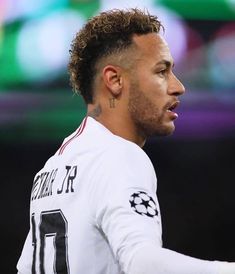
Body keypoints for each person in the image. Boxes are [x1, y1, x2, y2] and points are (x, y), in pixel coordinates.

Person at [17, 8, 235, 274]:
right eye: (161, 71)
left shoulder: (52, 167)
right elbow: (141, 262)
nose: (178, 86)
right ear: (115, 80)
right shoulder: (118, 155)